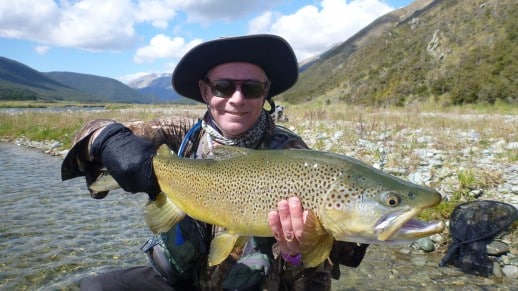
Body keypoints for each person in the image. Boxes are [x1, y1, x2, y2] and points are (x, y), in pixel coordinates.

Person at [61, 34, 368, 290]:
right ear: (206, 91)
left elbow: (322, 272)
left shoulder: (295, 159)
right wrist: (109, 139)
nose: (237, 99)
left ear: (265, 93)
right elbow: (90, 132)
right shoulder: (181, 134)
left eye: (251, 88)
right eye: (223, 87)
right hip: (184, 279)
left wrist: (295, 255)